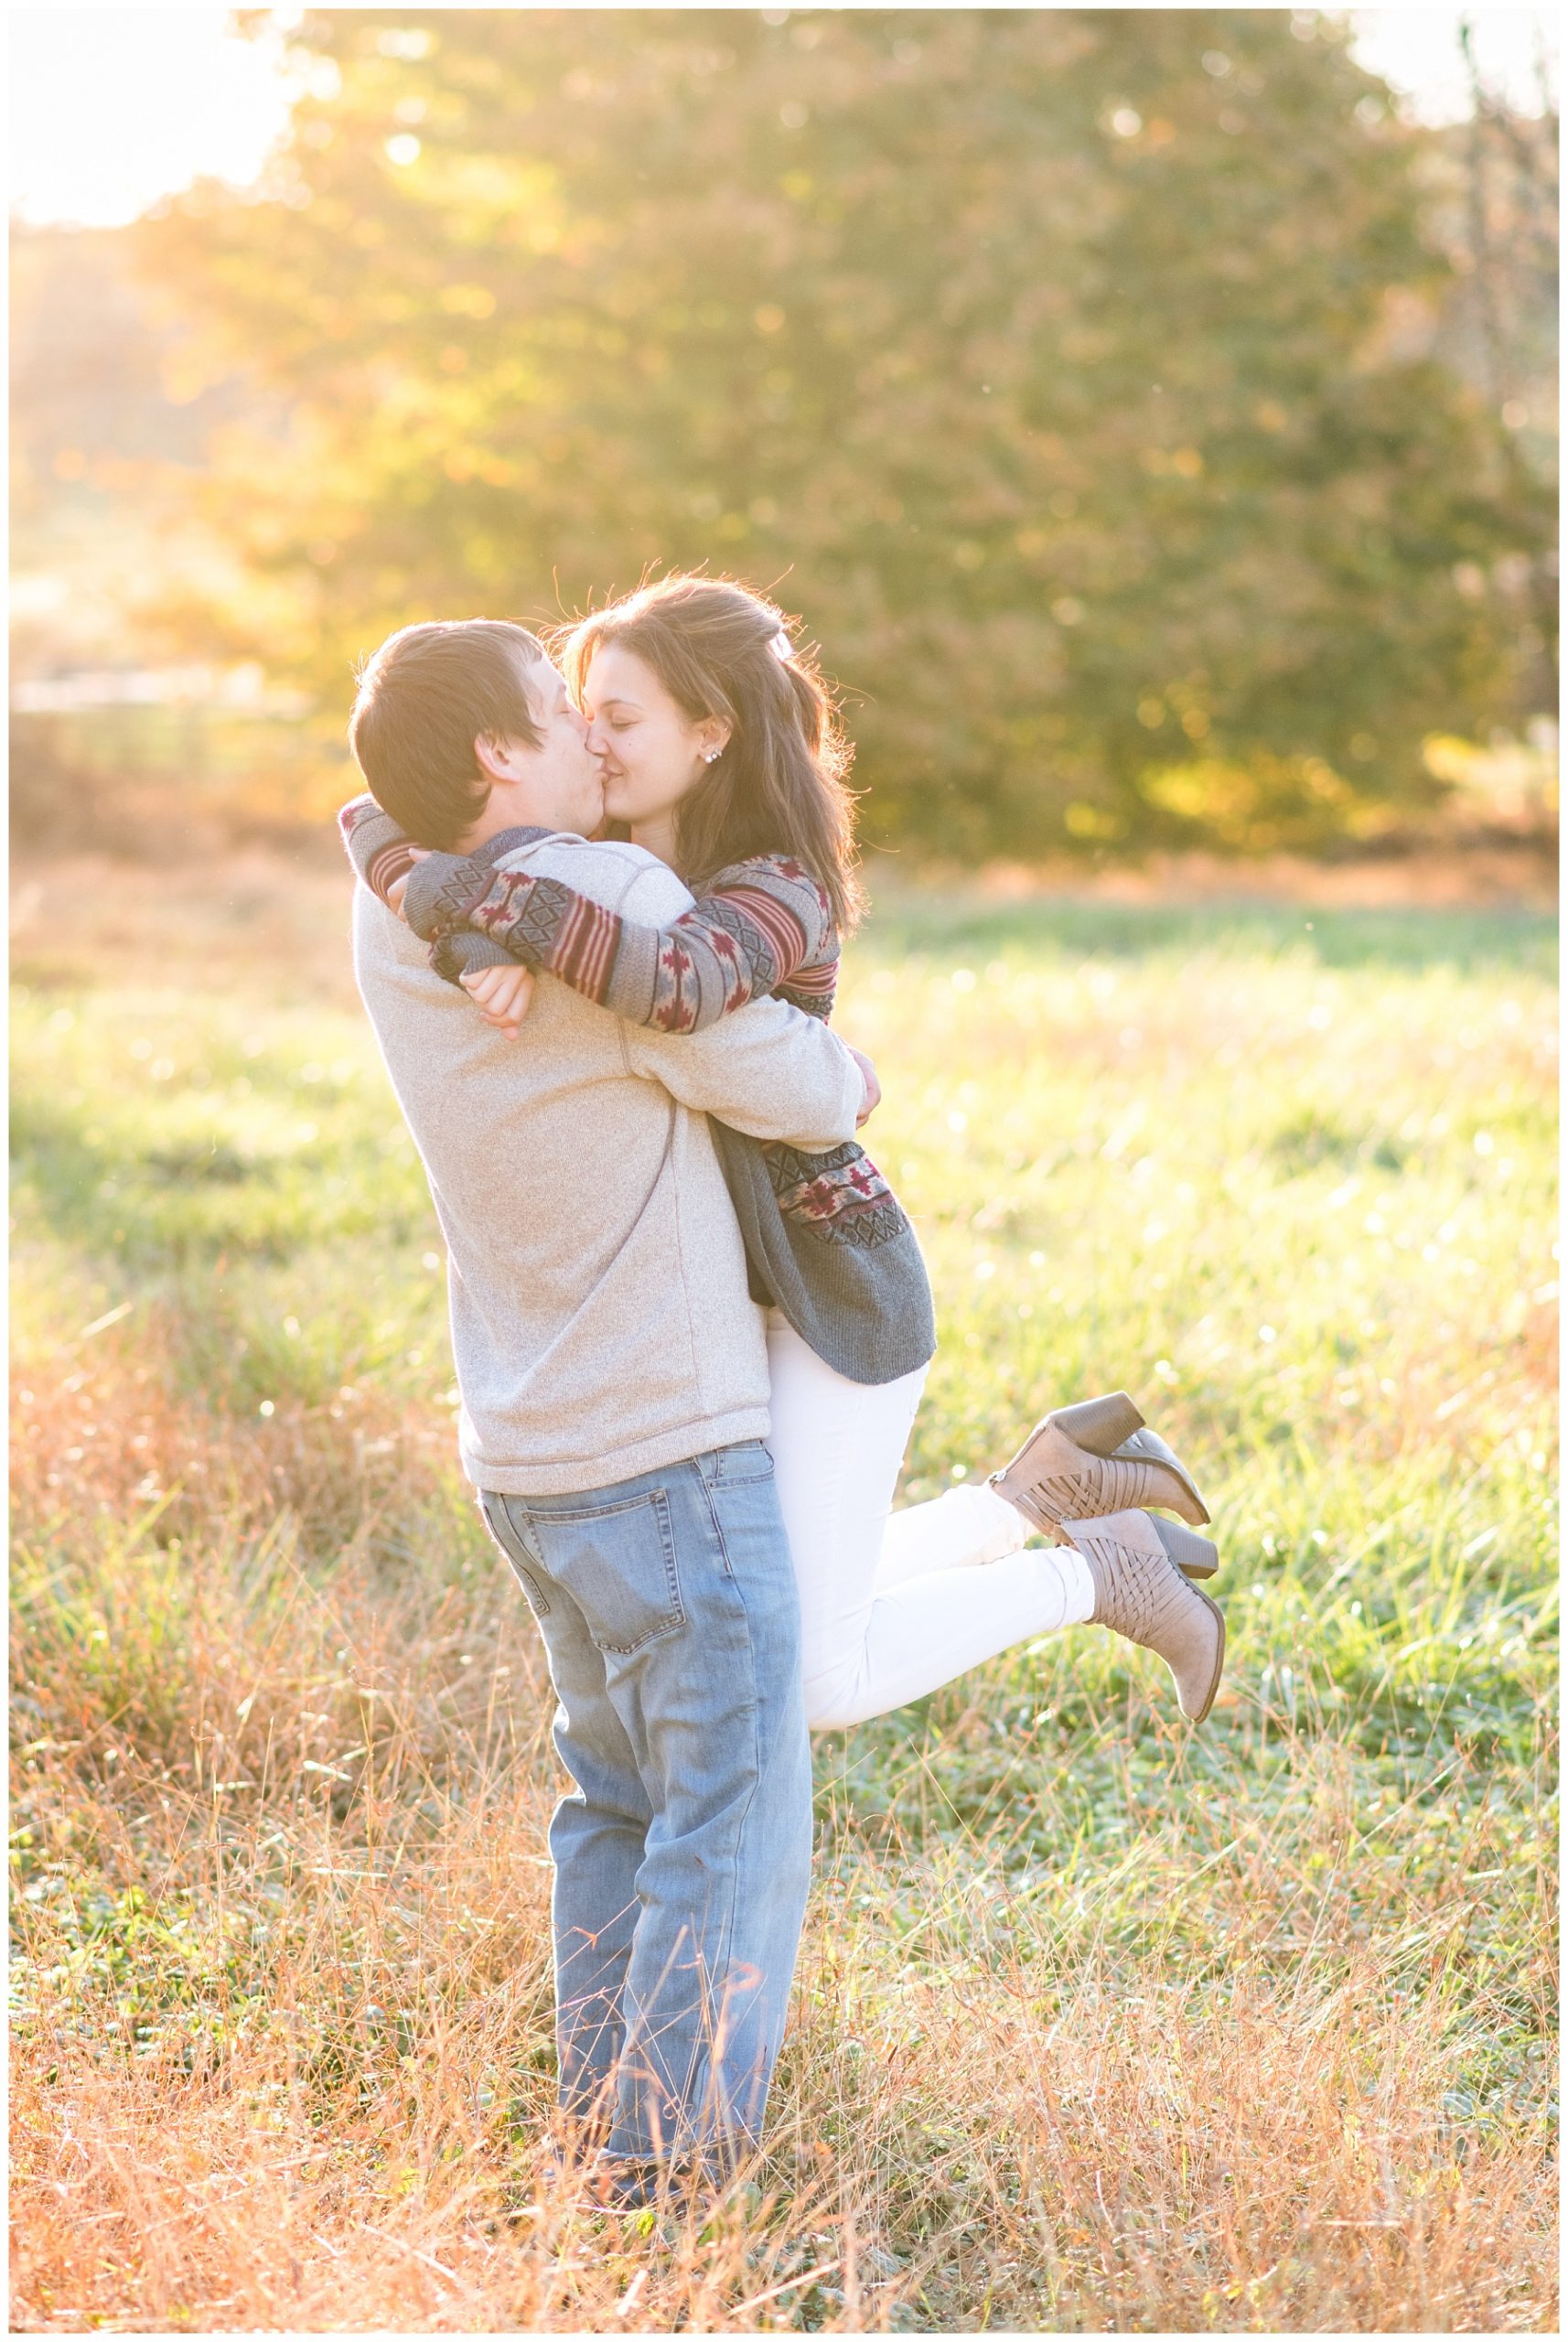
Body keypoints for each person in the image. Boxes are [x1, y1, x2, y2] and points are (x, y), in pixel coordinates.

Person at [341, 578, 1226, 1746]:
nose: (587, 738)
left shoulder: (774, 886)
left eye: (620, 716)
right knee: (786, 1609)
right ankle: (1041, 1494)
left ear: (709, 735)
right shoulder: (578, 855)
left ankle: (1098, 1577)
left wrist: (474, 906)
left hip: (822, 1283)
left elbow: (670, 986)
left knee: (809, 1677)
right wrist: (463, 923)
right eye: (577, 709)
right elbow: (372, 815)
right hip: (707, 1301)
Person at [345, 615, 871, 2200]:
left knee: (617, 1806)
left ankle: (605, 2125)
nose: (590, 733)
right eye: (556, 714)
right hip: (665, 1441)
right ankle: (660, 2190)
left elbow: (367, 819)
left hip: (528, 1445)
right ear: (501, 758)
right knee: (726, 1820)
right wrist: (841, 1078)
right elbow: (798, 1084)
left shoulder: (395, 913)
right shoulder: (610, 897)